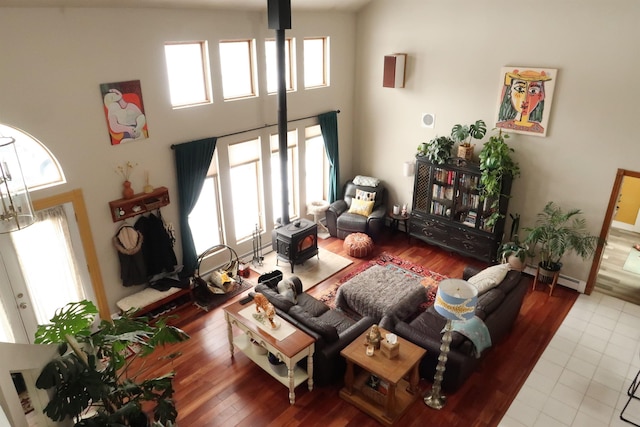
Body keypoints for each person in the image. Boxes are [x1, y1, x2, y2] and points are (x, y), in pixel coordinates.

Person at [496, 69, 552, 134]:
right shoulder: (500, 126)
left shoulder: (540, 130)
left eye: (533, 91)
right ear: (510, 92)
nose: (525, 99)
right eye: (519, 89)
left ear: (540, 95)